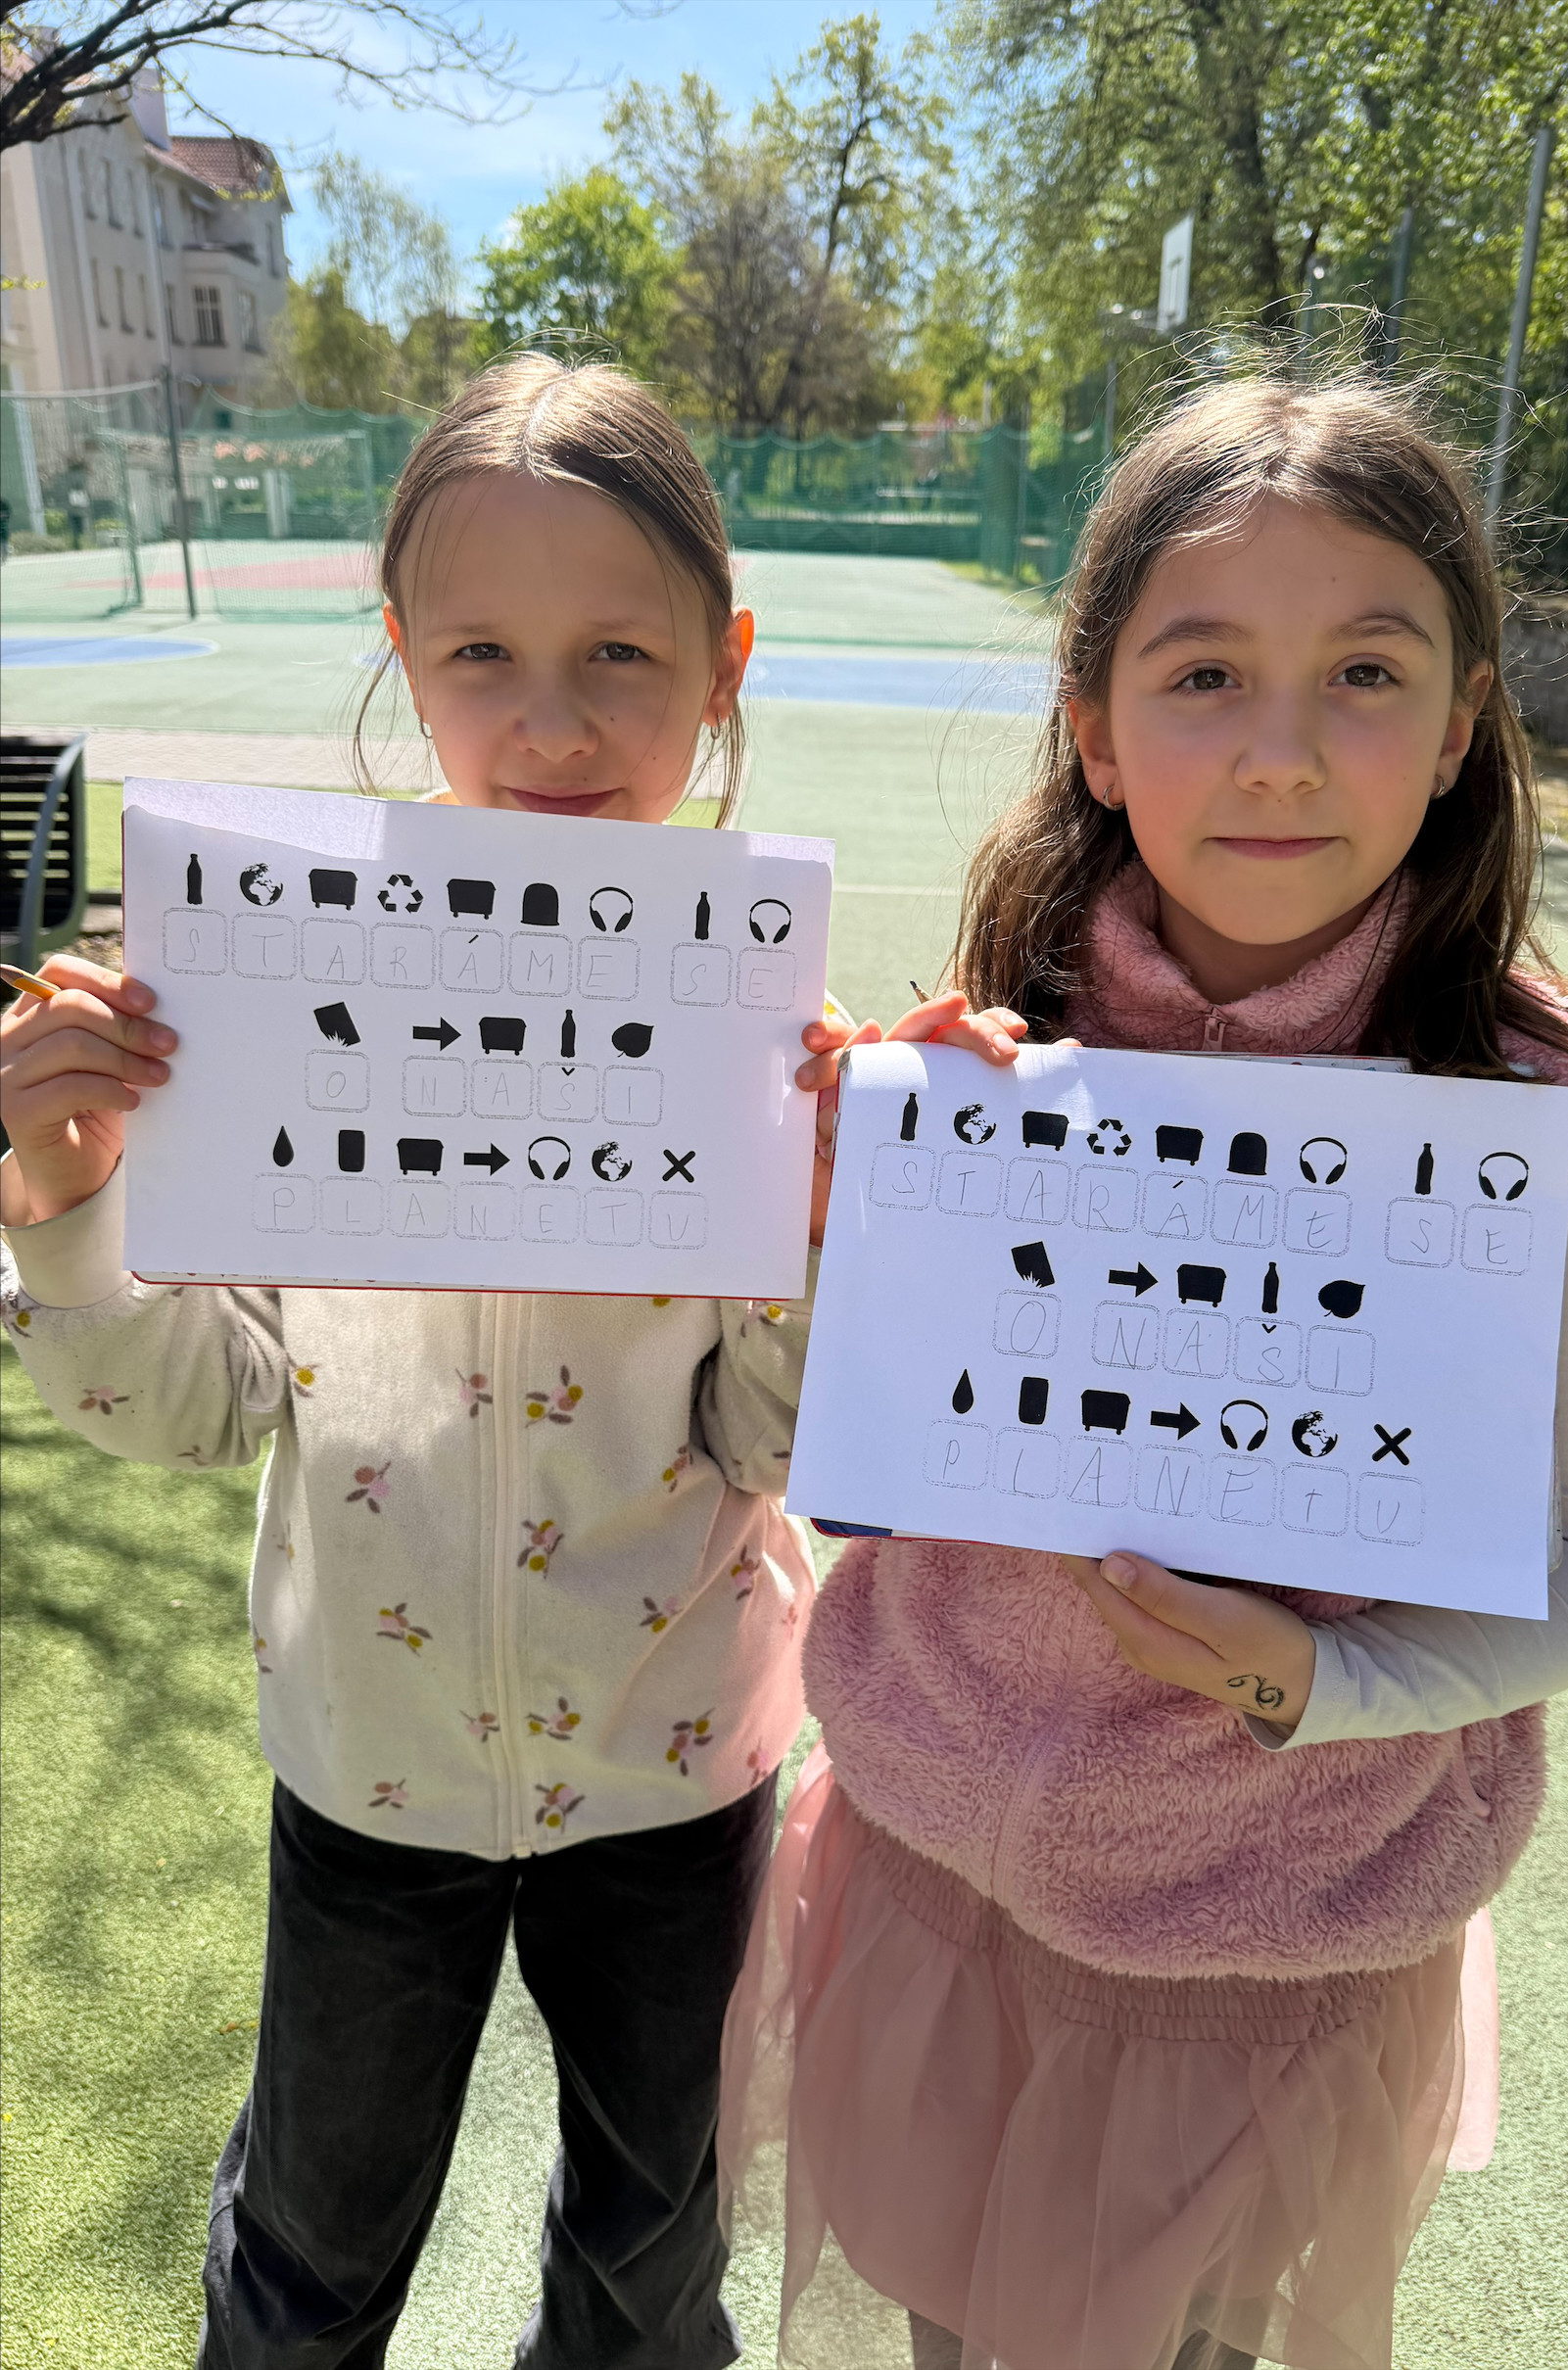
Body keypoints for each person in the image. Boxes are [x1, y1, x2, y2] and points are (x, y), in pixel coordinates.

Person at [718, 377, 1568, 2370]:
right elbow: (845, 1466)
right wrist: (829, 1241)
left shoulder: (1559, 1122)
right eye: (1203, 674)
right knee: (943, 2328)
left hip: (1273, 1959)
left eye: (1362, 673)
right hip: (928, 1888)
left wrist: (1316, 1685)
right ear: (1092, 724)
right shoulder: (982, 1062)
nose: (1278, 751)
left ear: (1458, 724)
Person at [0, 354, 873, 2370]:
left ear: (723, 667)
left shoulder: (761, 1026)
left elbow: (768, 1432)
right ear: (402, 653)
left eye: (620, 653)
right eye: (482, 651)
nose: (552, 723)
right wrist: (70, 1191)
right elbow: (189, 1403)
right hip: (366, 1766)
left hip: (676, 1770)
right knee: (309, 2252)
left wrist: (828, 1238)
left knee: (648, 2260)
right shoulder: (273, 987)